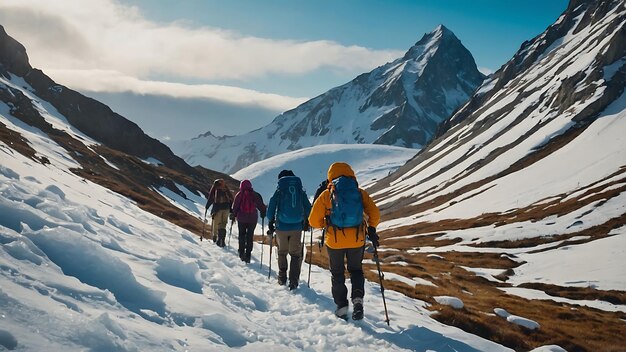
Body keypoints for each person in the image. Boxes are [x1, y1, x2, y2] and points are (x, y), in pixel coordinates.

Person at [308, 162, 380, 320]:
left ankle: (341, 306)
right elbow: (374, 212)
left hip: (334, 241)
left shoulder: (327, 194)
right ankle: (358, 300)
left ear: (331, 176)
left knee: (337, 273)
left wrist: (325, 225)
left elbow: (312, 220)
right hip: (357, 239)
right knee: (356, 270)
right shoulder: (359, 193)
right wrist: (372, 228)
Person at [266, 169, 312, 290]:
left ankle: (282, 277)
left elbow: (272, 204)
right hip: (297, 226)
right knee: (295, 255)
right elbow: (307, 206)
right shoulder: (299, 189)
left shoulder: (280, 189)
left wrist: (270, 220)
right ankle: (293, 281)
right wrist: (308, 221)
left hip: (281, 226)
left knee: (282, 252)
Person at [230, 179, 267, 263]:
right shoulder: (255, 194)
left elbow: (235, 207)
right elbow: (261, 206)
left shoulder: (239, 195)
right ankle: (248, 255)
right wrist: (263, 212)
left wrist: (233, 215)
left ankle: (241, 252)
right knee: (250, 236)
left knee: (242, 235)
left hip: (241, 218)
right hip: (252, 219)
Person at [205, 178, 233, 247]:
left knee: (216, 223)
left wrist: (207, 206)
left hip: (217, 208)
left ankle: (215, 237)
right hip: (226, 208)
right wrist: (231, 209)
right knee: (223, 224)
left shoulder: (215, 187)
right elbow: (231, 198)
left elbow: (211, 197)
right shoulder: (225, 188)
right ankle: (221, 240)